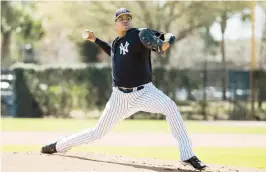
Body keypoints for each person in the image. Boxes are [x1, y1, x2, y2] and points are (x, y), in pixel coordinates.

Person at [41, 8, 207, 170]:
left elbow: (166, 37)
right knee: (97, 132)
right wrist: (95, 40)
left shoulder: (139, 34)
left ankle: (187, 154)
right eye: (121, 18)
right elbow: (112, 52)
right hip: (119, 97)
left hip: (145, 92)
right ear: (116, 24)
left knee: (171, 107)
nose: (125, 20)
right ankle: (59, 145)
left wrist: (167, 40)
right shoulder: (116, 43)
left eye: (128, 17)